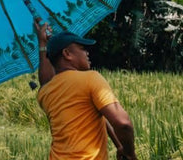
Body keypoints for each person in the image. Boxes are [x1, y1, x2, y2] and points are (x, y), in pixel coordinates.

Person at [35, 22, 137, 160]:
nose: (87, 53)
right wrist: (130, 154)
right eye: (82, 48)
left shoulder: (45, 93)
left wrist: (42, 44)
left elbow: (96, 113)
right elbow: (123, 124)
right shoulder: (91, 78)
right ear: (67, 54)